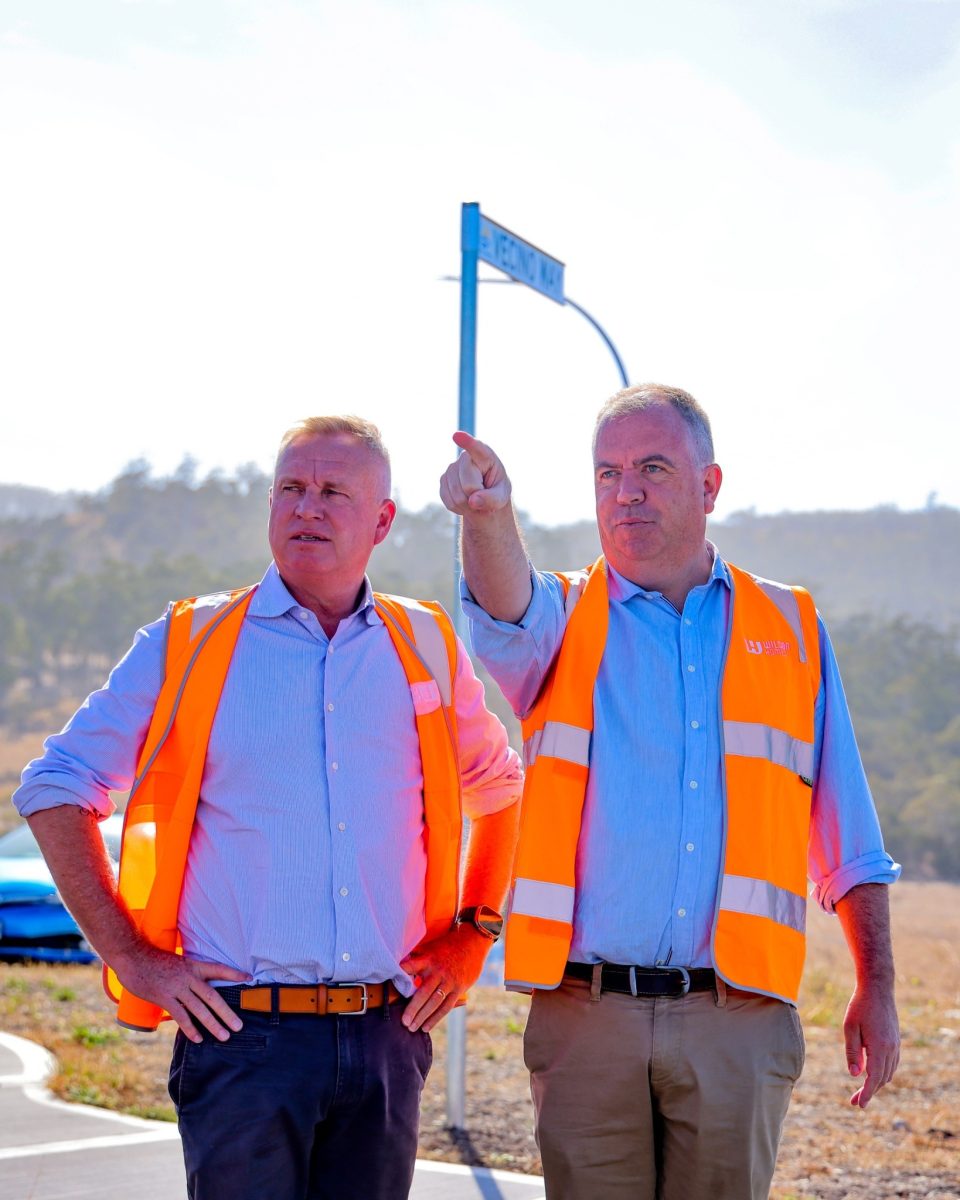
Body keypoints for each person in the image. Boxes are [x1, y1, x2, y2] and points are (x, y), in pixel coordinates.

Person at [14, 415, 522, 1200]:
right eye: (290, 488)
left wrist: (473, 934)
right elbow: (56, 787)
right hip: (242, 1040)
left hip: (388, 1034)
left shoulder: (422, 644)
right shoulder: (187, 642)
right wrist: (131, 957)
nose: (306, 508)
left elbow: (501, 789)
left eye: (331, 492)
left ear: (381, 520)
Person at [440, 384, 901, 1200]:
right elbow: (501, 601)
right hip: (588, 1019)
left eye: (653, 467)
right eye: (608, 472)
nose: (627, 491)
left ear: (710, 487)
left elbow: (849, 836)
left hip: (737, 1022)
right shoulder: (557, 617)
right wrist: (486, 517)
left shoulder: (791, 630)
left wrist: (879, 989)